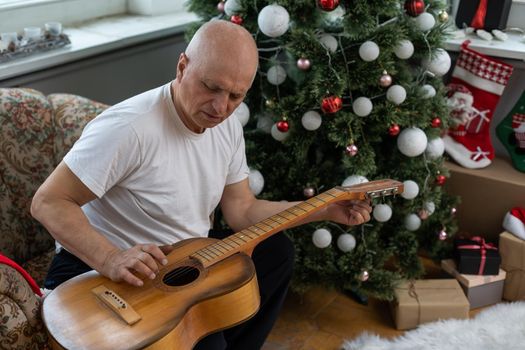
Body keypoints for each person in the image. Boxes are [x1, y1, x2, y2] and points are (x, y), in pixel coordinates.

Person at [31, 19, 372, 350]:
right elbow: (48, 201)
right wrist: (110, 258)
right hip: (99, 270)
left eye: (236, 96)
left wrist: (323, 208)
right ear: (182, 67)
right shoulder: (129, 128)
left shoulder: (226, 126)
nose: (220, 107)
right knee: (209, 342)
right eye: (211, 87)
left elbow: (242, 211)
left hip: (181, 259)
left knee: (276, 254)